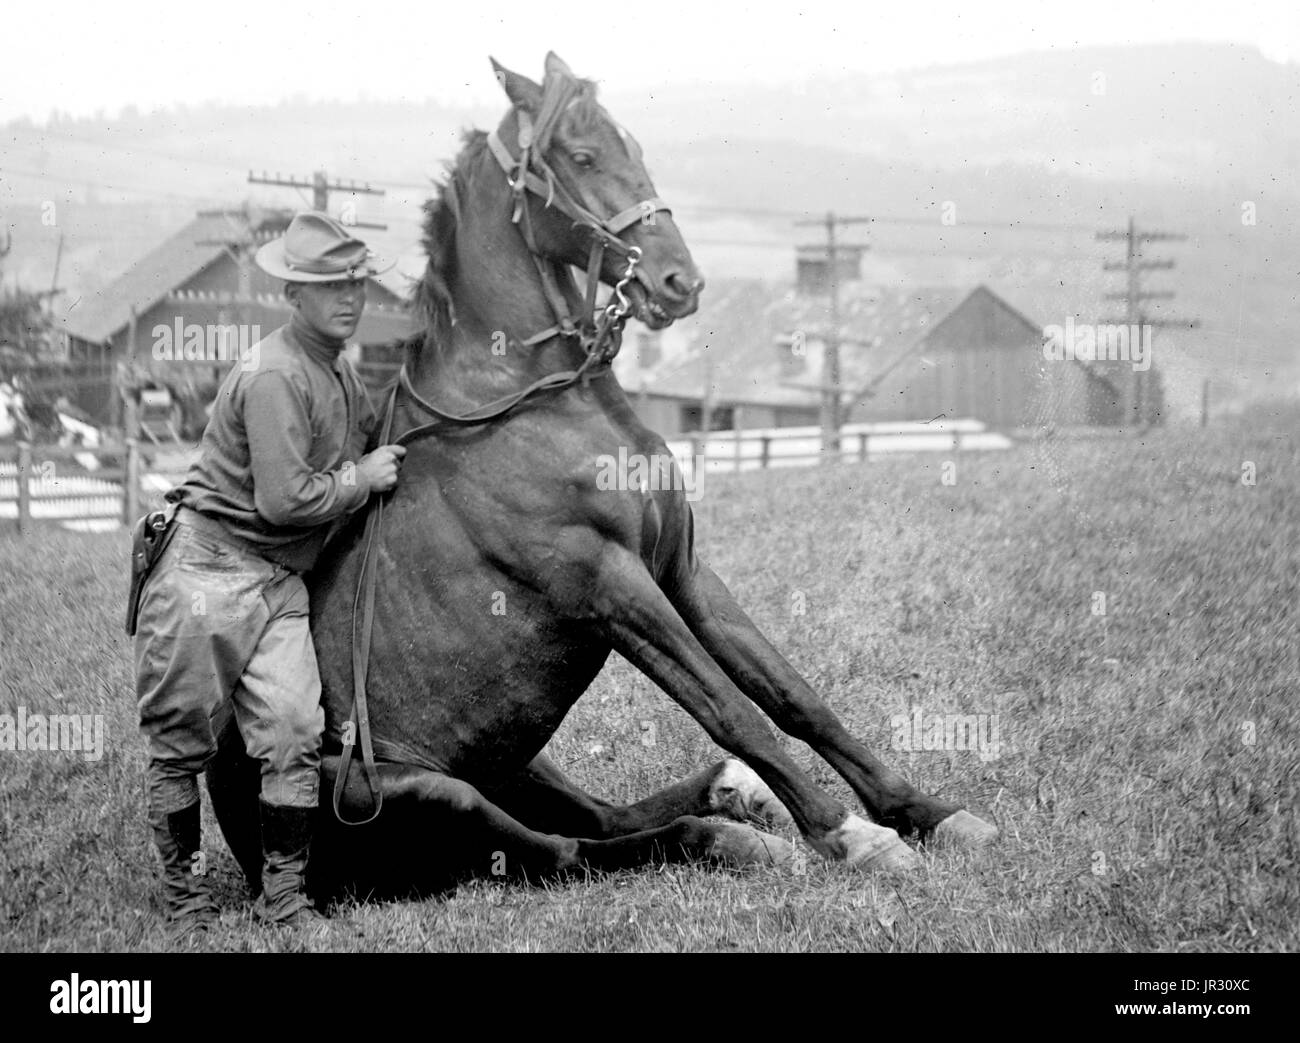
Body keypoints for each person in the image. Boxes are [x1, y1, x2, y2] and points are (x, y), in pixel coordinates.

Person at [133, 212, 407, 935]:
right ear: (293, 290)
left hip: (280, 580)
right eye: (329, 284)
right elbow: (286, 498)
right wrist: (362, 478)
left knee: (291, 731)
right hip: (208, 569)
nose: (349, 296)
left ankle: (283, 898)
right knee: (180, 742)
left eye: (356, 280)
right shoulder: (276, 373)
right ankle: (184, 897)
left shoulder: (337, 369)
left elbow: (360, 446)